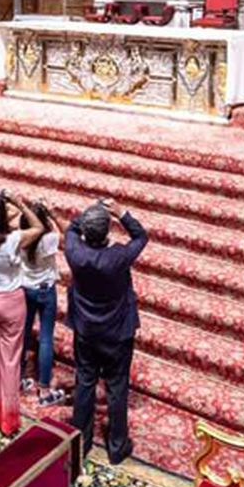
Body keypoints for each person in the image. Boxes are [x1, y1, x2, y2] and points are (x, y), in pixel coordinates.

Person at [65, 199, 148, 464]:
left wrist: (91, 209)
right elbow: (141, 236)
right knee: (116, 386)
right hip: (117, 331)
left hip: (87, 329)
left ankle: (81, 441)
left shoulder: (74, 251)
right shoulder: (118, 256)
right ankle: (116, 445)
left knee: (85, 382)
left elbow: (71, 228)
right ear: (107, 231)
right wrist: (121, 212)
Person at [0, 191, 52, 436]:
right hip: (9, 302)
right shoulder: (13, 239)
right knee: (10, 360)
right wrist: (20, 203)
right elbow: (38, 227)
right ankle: (7, 421)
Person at [21, 204, 64, 405]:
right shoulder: (48, 239)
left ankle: (19, 376)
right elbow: (66, 235)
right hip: (46, 290)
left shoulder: (19, 236)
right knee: (45, 337)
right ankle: (44, 389)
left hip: (25, 287)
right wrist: (53, 215)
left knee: (24, 332)